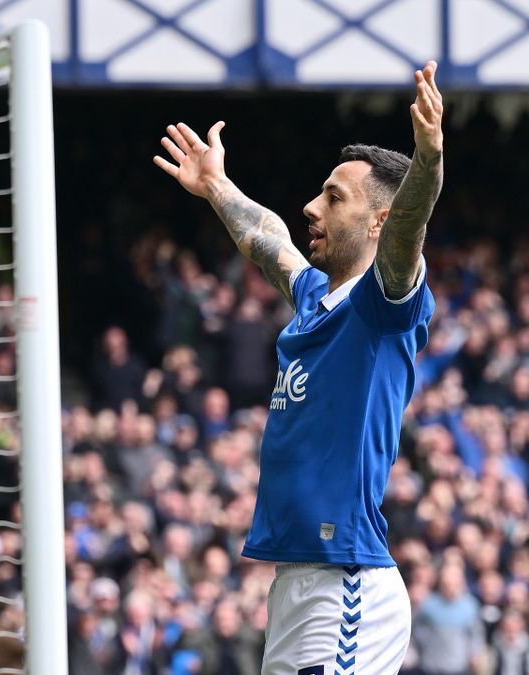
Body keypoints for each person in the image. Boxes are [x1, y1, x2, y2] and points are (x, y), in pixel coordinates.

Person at [155, 61, 443, 674]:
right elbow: (269, 240)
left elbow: (408, 231)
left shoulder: (384, 304)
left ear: (376, 222)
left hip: (348, 582)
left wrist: (428, 161)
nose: (313, 206)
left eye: (334, 197)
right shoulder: (315, 298)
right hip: (294, 585)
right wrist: (216, 187)